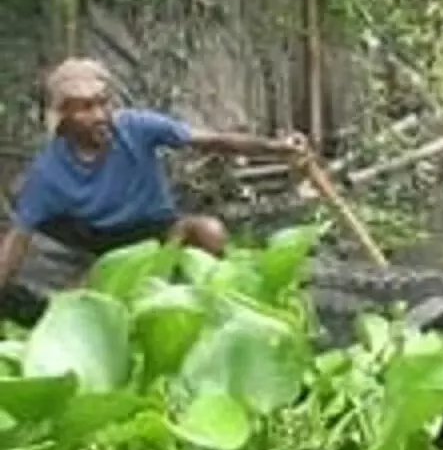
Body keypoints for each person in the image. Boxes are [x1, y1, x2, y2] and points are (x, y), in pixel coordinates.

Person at [0, 57, 310, 292]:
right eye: (84, 108)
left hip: (161, 230)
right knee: (89, 302)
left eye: (103, 103)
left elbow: (213, 141)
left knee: (209, 231)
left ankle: (212, 294)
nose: (99, 116)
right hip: (108, 247)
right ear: (62, 119)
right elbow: (17, 241)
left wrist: (277, 148)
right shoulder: (48, 172)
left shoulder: (137, 127)